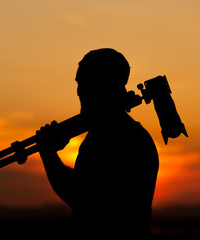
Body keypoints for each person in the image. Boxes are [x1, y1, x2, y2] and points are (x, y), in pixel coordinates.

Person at [36, 48, 159, 238]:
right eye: (78, 83)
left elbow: (81, 197)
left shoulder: (117, 138)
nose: (79, 90)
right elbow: (85, 185)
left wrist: (48, 153)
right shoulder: (117, 134)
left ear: (106, 85)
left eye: (86, 82)